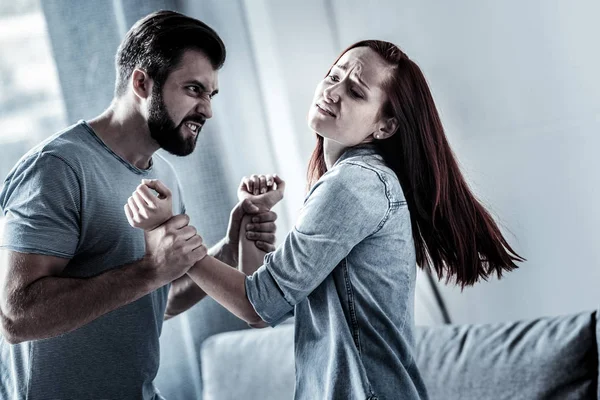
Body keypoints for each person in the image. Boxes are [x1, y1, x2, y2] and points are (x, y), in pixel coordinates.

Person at [126, 40, 524, 399]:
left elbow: (257, 305)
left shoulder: (354, 185)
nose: (332, 92)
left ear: (385, 126)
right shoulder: (352, 181)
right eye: (334, 76)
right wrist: (255, 220)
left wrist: (172, 232)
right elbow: (267, 309)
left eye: (354, 92)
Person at [0, 10, 278, 400]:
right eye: (194, 90)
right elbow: (17, 316)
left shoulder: (161, 174)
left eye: (210, 95)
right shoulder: (58, 168)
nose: (208, 110)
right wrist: (148, 272)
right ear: (142, 82)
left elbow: (152, 302)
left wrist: (230, 249)